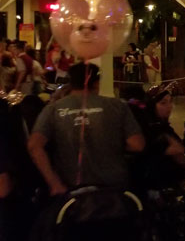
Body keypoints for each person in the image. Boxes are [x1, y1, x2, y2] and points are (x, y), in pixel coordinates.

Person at [27, 63, 145, 194]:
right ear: (95, 83)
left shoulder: (53, 109)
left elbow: (34, 146)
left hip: (71, 190)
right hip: (113, 190)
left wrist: (54, 183)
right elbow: (137, 144)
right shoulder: (117, 106)